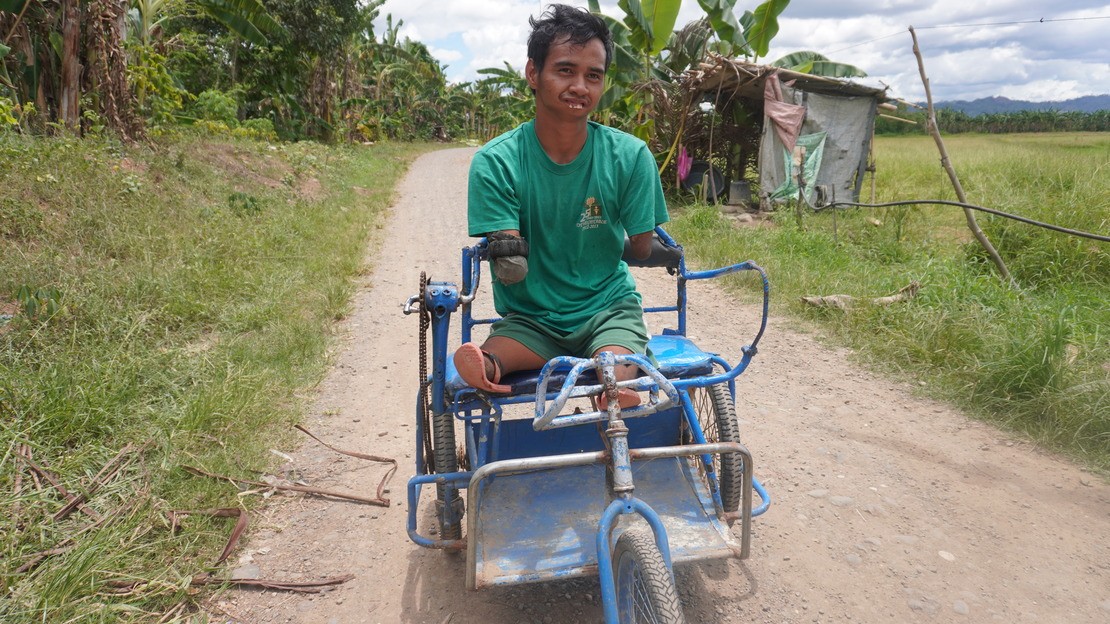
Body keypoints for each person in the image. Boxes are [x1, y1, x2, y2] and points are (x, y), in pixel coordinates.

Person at [454, 3, 668, 408]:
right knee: (501, 355)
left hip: (608, 310)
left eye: (593, 75)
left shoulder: (630, 155)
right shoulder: (498, 161)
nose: (580, 87)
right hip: (532, 319)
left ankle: (610, 384)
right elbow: (642, 248)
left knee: (612, 355)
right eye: (565, 70)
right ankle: (493, 366)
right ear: (533, 73)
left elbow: (511, 265)